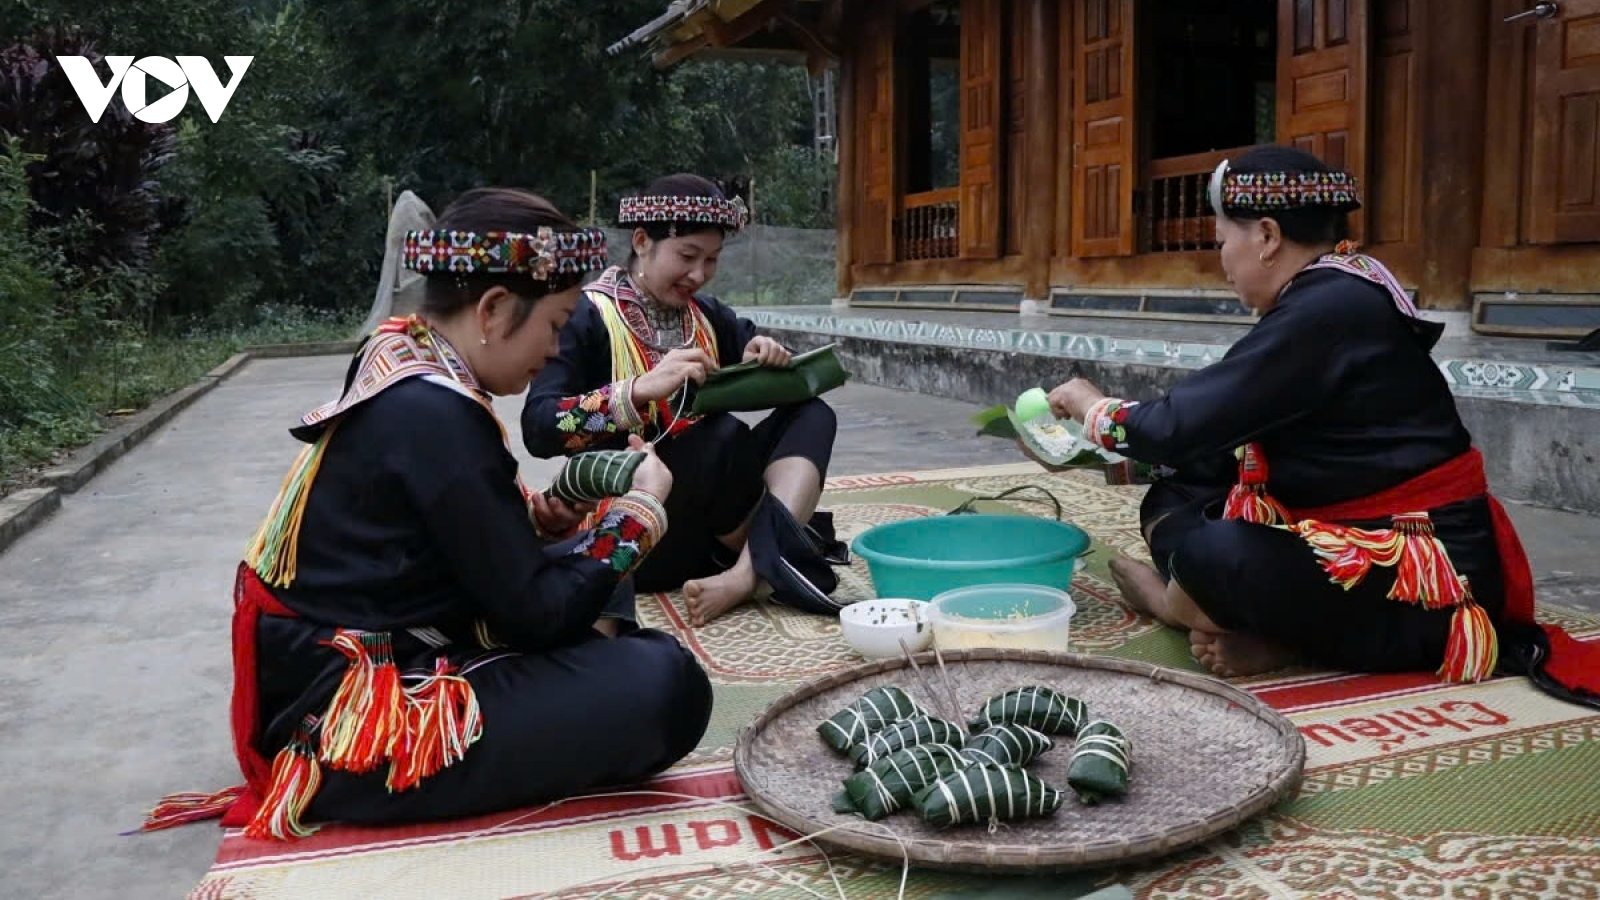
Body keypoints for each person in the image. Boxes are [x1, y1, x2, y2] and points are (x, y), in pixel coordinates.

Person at [140, 188, 713, 840]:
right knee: (666, 684)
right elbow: (536, 611)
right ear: (494, 310)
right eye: (553, 326)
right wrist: (639, 512)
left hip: (369, 641)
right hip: (347, 715)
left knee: (595, 564)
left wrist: (548, 520)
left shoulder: (402, 350)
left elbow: (441, 523)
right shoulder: (434, 414)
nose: (555, 351)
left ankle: (577, 668)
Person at [1043, 145, 1598, 708]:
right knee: (1177, 496)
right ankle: (1265, 628)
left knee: (1216, 551)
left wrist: (1093, 407)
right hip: (1350, 536)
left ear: (1265, 237)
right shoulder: (1329, 295)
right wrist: (1094, 456)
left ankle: (1179, 608)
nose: (1223, 262)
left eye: (1221, 243)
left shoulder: (1330, 308)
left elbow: (1180, 425)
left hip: (1427, 582)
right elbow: (1229, 440)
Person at [522, 174, 844, 627]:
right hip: (642, 532)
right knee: (716, 433)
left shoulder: (708, 316)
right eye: (688, 257)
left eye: (711, 260)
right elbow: (538, 426)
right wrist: (636, 391)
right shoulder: (587, 317)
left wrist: (764, 354)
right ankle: (773, 559)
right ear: (641, 242)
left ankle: (746, 576)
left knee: (812, 414)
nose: (698, 274)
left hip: (719, 528)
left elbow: (757, 359)